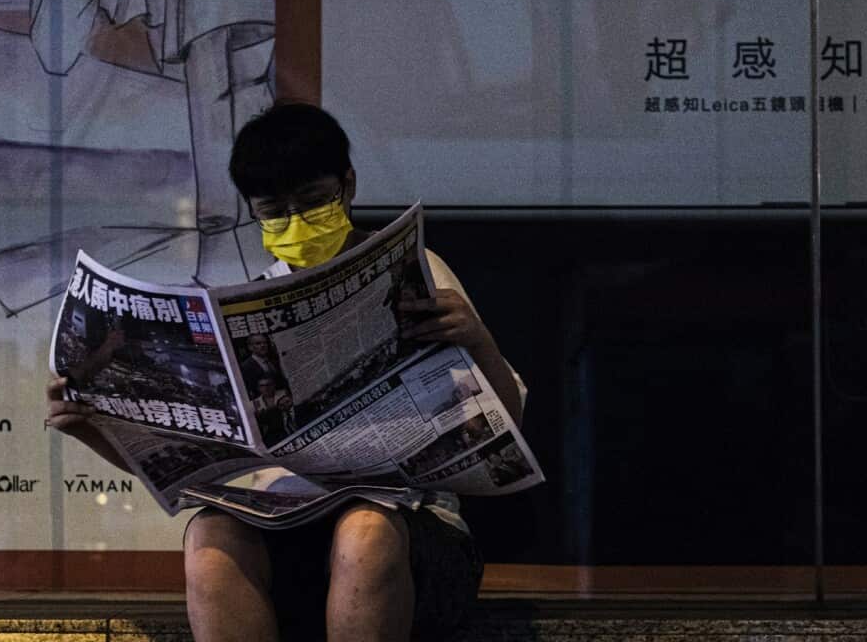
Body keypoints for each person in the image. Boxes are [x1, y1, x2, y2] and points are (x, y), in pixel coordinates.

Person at [48, 102, 526, 641]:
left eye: (313, 202)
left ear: (347, 185)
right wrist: (93, 429)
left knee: (364, 529)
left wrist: (477, 341)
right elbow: (196, 477)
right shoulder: (250, 301)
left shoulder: (417, 275)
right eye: (274, 211)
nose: (295, 224)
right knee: (210, 534)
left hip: (410, 537)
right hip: (288, 530)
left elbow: (504, 428)